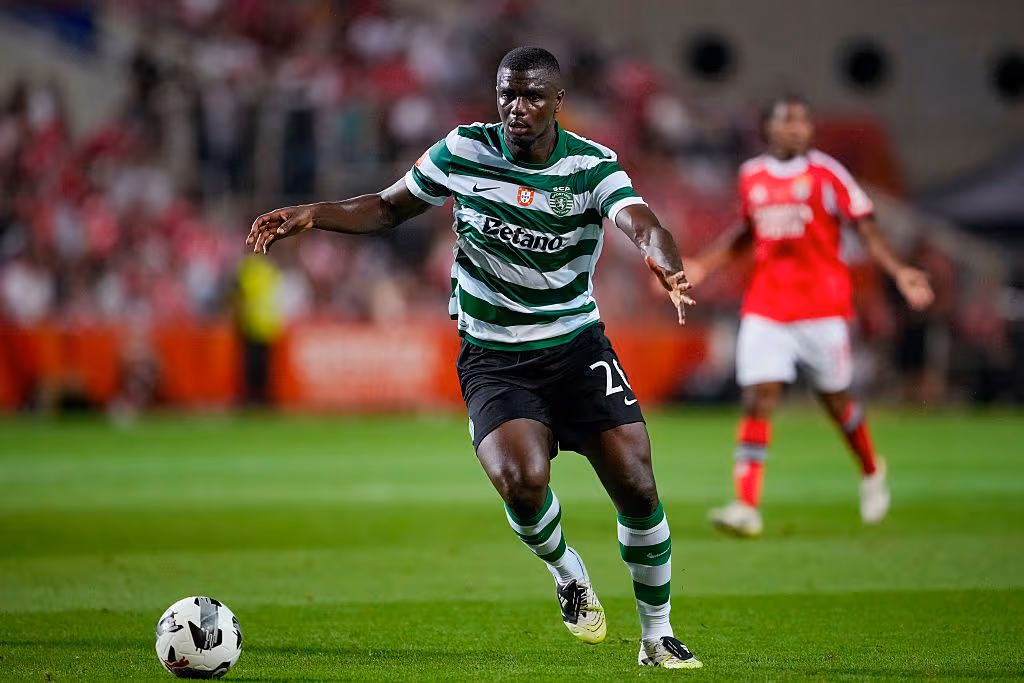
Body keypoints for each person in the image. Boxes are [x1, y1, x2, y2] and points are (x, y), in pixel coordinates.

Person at [247, 47, 702, 669]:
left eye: (533, 96)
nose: (518, 108)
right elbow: (388, 207)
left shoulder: (592, 167)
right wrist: (315, 214)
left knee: (638, 486)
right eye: (508, 94)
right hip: (493, 356)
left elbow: (643, 223)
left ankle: (657, 636)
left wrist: (664, 263)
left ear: (557, 104)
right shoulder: (462, 150)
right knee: (521, 483)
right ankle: (567, 570)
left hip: (575, 348)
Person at [685, 94, 934, 537]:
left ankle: (872, 467)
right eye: (788, 121)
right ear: (769, 128)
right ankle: (746, 505)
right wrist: (704, 264)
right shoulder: (752, 175)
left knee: (834, 400)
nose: (798, 128)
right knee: (758, 396)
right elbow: (746, 232)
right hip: (767, 305)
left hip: (821, 308)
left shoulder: (826, 173)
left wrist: (899, 271)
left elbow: (865, 225)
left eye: (803, 121)